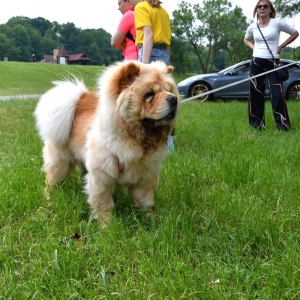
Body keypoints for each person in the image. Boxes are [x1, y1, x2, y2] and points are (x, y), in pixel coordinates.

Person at [244, 0, 299, 131]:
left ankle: (283, 127)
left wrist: (280, 47)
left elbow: (295, 33)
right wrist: (253, 47)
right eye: (259, 6)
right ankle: (257, 126)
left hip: (273, 63)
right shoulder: (253, 26)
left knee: (277, 95)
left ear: (270, 9)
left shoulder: (277, 23)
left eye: (265, 6)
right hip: (256, 63)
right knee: (255, 94)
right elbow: (246, 39)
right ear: (256, 10)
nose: (262, 8)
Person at [129, 0, 175, 149]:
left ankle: (149, 146)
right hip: (163, 55)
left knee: (153, 104)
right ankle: (168, 145)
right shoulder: (164, 12)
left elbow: (148, 35)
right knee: (167, 106)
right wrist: (167, 64)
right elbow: (168, 42)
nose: (129, 1)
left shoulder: (141, 7)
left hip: (149, 53)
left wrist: (143, 66)